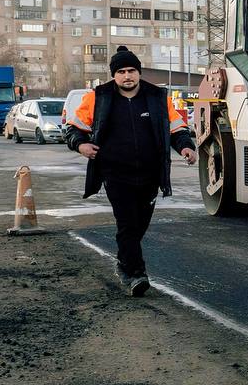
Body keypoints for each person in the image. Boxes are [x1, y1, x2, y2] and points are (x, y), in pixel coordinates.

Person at [65, 46, 197, 296]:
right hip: (115, 174)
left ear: (139, 72)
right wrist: (80, 144)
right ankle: (135, 274)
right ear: (114, 75)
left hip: (150, 175)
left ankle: (125, 262)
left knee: (138, 226)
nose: (128, 76)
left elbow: (177, 129)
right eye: (122, 71)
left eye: (132, 71)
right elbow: (73, 128)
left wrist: (186, 148)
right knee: (127, 223)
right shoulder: (99, 97)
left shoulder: (157, 98)